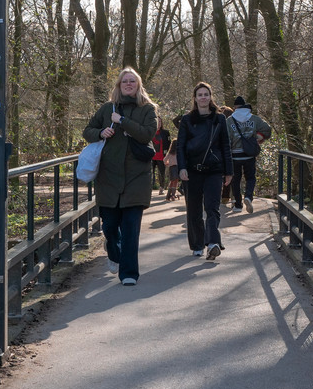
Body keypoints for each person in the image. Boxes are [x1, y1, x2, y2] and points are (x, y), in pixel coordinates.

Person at [82, 68, 158, 286]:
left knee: (131, 229)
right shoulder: (107, 109)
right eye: (124, 81)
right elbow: (87, 130)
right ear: (118, 85)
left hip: (137, 178)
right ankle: (114, 253)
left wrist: (123, 121)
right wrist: (100, 133)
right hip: (108, 178)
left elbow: (146, 135)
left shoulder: (148, 109)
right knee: (110, 227)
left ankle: (129, 274)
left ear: (138, 84)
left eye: (132, 81)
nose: (128, 84)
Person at [176, 82, 233, 260]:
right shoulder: (187, 119)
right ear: (195, 98)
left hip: (214, 171)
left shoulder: (219, 119)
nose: (203, 97)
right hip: (192, 171)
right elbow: (180, 146)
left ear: (210, 97)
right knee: (193, 210)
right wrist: (182, 167)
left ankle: (214, 243)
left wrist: (229, 171)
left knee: (212, 208)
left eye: (206, 94)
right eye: (200, 94)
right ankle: (197, 245)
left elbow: (226, 145)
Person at [226, 95, 273, 213]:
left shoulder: (230, 120)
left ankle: (237, 205)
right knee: (250, 178)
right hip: (250, 154)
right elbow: (267, 129)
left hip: (234, 155)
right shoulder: (254, 119)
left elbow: (225, 138)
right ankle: (248, 197)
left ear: (235, 107)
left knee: (235, 180)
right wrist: (260, 137)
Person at [151, 115, 171, 190]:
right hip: (151, 156)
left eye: (160, 121)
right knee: (150, 172)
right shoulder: (150, 130)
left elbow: (169, 144)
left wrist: (168, 155)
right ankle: (150, 188)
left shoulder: (166, 133)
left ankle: (161, 187)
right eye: (157, 121)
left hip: (161, 156)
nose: (158, 123)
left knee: (161, 172)